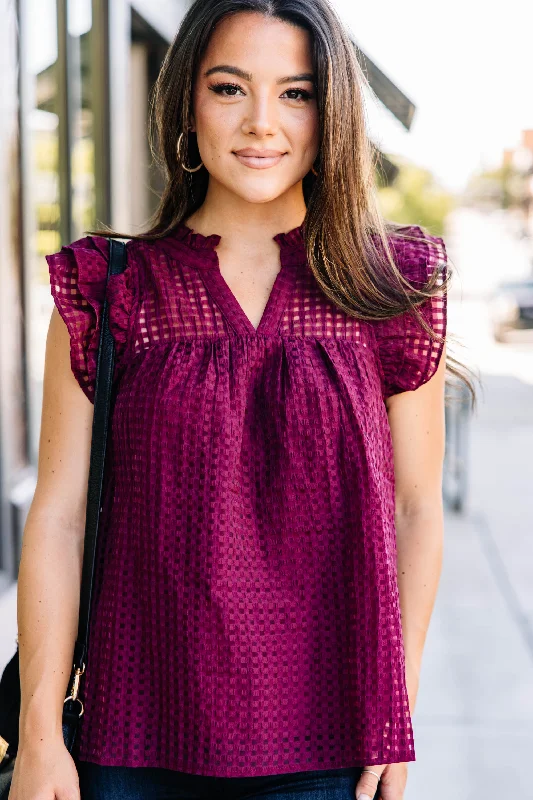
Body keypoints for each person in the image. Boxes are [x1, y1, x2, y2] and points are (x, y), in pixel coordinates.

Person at [10, 1, 472, 799]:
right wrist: (42, 733)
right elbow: (56, 516)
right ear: (186, 102)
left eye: (295, 93)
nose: (262, 122)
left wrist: (396, 712)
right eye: (230, 88)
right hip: (130, 738)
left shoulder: (387, 285)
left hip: (327, 740)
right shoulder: (107, 286)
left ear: (332, 113)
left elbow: (415, 511)